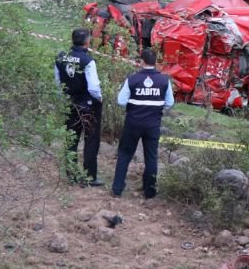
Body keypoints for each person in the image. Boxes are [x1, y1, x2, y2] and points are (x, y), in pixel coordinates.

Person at [112, 48, 174, 199]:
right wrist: (156, 107)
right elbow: (169, 103)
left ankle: (117, 189)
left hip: (133, 123)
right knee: (151, 157)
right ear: (155, 62)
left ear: (141, 61)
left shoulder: (132, 79)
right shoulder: (164, 80)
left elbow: (121, 101)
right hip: (153, 124)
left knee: (124, 155)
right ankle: (150, 192)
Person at [55, 28, 104, 186]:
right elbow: (93, 87)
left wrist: (63, 98)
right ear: (87, 42)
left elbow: (58, 83)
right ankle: (89, 177)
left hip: (69, 103)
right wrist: (99, 99)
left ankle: (71, 175)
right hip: (88, 105)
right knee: (91, 140)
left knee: (71, 139)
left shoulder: (60, 58)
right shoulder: (88, 61)